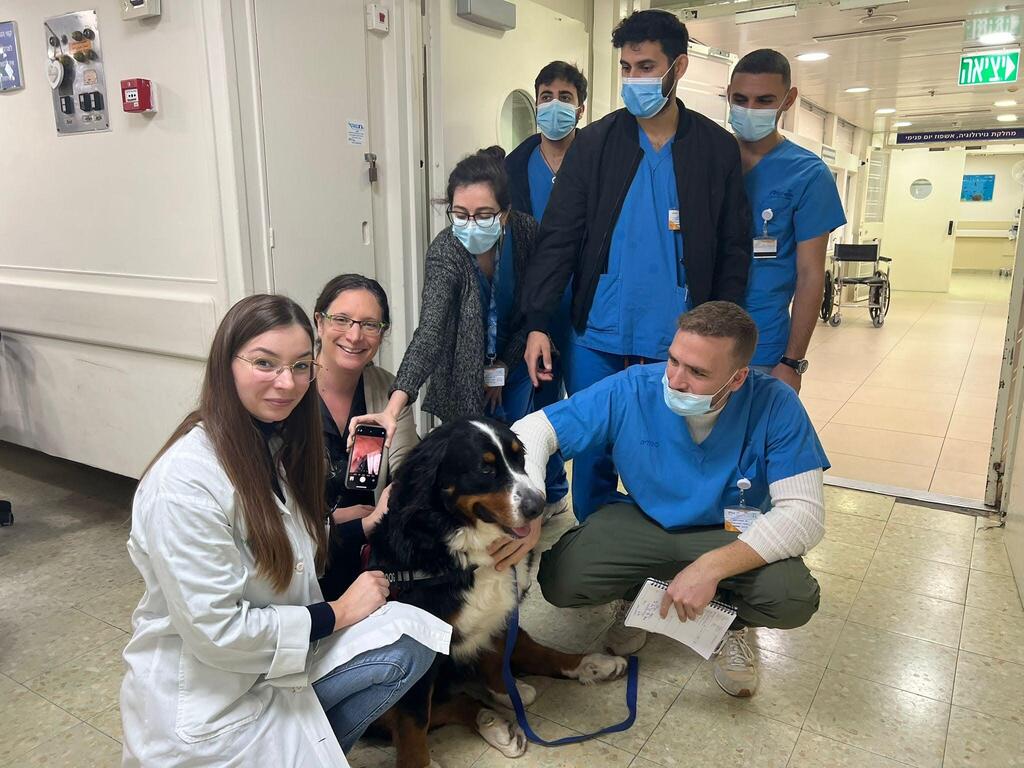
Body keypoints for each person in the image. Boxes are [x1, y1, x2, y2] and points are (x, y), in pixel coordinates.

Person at [120, 294, 448, 766]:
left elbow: (297, 550)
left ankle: (313, 743)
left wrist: (369, 525)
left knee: (413, 638)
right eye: (264, 363)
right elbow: (219, 632)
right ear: (225, 366)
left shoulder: (274, 448)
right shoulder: (184, 485)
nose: (286, 382)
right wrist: (337, 613)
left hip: (277, 659)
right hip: (210, 700)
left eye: (298, 366)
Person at [512, 302, 826, 698]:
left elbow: (804, 515)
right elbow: (532, 432)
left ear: (737, 378)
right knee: (561, 578)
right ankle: (638, 602)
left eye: (697, 372)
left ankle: (730, 625)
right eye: (673, 360)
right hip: (645, 521)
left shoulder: (776, 405)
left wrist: (711, 568)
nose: (676, 380)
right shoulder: (633, 389)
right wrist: (532, 499)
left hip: (728, 531)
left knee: (792, 596)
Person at [519, 9, 752, 521]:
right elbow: (559, 237)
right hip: (597, 334)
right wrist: (538, 322)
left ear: (679, 68)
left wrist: (725, 340)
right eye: (626, 67)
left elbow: (734, 248)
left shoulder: (714, 150)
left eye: (646, 66)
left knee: (671, 448)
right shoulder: (597, 143)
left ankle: (662, 548)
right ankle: (599, 551)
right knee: (594, 452)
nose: (634, 79)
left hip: (677, 341)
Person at [352, 148, 566, 518]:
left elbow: (532, 307)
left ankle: (546, 509)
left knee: (524, 443)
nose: (471, 224)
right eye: (460, 214)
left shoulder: (526, 233)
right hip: (463, 374)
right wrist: (392, 407)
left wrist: (503, 365)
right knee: (476, 457)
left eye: (484, 215)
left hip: (514, 358)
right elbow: (430, 333)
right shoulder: (447, 251)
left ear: (506, 213)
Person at [728, 49, 847, 391]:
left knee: (756, 441)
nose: (750, 110)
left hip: (763, 344)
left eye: (764, 100)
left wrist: (793, 361)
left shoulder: (808, 174)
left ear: (788, 99)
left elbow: (810, 275)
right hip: (698, 336)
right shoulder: (711, 158)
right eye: (740, 99)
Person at [504, 59, 590, 517]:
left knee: (583, 396)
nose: (554, 106)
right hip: (534, 302)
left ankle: (584, 493)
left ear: (581, 107)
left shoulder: (595, 158)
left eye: (565, 97)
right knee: (539, 395)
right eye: (545, 96)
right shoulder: (515, 163)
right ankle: (552, 489)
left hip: (584, 302)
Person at [312, 274, 418, 600]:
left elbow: (406, 468)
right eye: (341, 320)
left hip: (373, 547)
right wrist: (328, 519)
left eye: (370, 325)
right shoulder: (289, 390)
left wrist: (392, 498)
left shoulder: (388, 392)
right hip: (305, 548)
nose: (355, 336)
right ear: (319, 322)